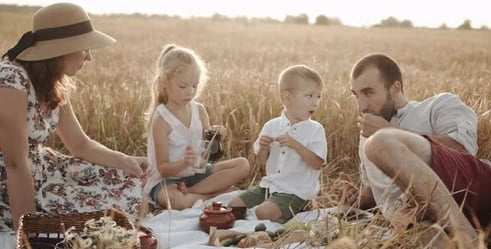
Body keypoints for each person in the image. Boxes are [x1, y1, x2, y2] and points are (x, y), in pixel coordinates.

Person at [342, 53, 491, 249]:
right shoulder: (366, 137)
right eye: (356, 95)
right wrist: (357, 198)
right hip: (424, 218)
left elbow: (463, 152)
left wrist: (387, 131)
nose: (361, 106)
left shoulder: (438, 105)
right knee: (427, 248)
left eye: (368, 93)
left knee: (380, 143)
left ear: (395, 88)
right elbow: (378, 191)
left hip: (481, 193)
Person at [0, 3, 150, 232]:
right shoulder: (11, 81)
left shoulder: (54, 81)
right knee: (100, 220)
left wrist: (126, 161)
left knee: (130, 181)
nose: (89, 57)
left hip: (44, 168)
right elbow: (15, 164)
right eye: (85, 48)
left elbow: (79, 144)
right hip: (12, 184)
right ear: (61, 50)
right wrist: (29, 232)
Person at [144, 44, 250, 210]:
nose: (190, 92)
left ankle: (194, 192)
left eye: (195, 86)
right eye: (183, 86)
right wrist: (184, 162)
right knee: (175, 201)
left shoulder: (199, 110)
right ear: (165, 82)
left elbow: (208, 152)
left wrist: (217, 135)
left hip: (196, 175)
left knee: (243, 164)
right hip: (169, 181)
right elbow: (163, 170)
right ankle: (212, 194)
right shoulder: (161, 120)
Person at [229, 65, 327, 223]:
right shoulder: (271, 126)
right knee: (234, 206)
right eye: (309, 96)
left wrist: (295, 145)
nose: (315, 103)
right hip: (269, 186)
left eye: (318, 97)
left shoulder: (315, 130)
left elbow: (317, 164)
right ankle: (278, 214)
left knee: (263, 213)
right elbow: (262, 162)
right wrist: (263, 147)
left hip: (296, 192)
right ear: (287, 97)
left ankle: (300, 207)